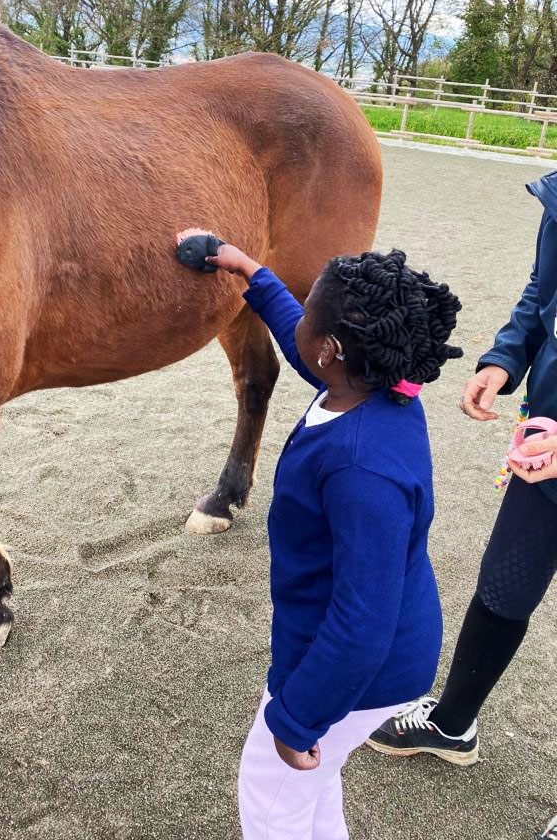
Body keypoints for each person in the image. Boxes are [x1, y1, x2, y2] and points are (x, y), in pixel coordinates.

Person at [187, 235, 463, 840]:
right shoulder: (372, 386)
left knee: (271, 787)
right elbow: (301, 339)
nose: (299, 315)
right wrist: (253, 275)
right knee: (313, 782)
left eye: (310, 309)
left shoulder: (361, 469)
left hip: (357, 664)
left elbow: (361, 622)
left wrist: (297, 719)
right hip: (364, 652)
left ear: (332, 349)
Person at [366, 170, 557, 840]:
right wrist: (504, 359)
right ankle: (453, 723)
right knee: (504, 589)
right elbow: (544, 297)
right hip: (547, 446)